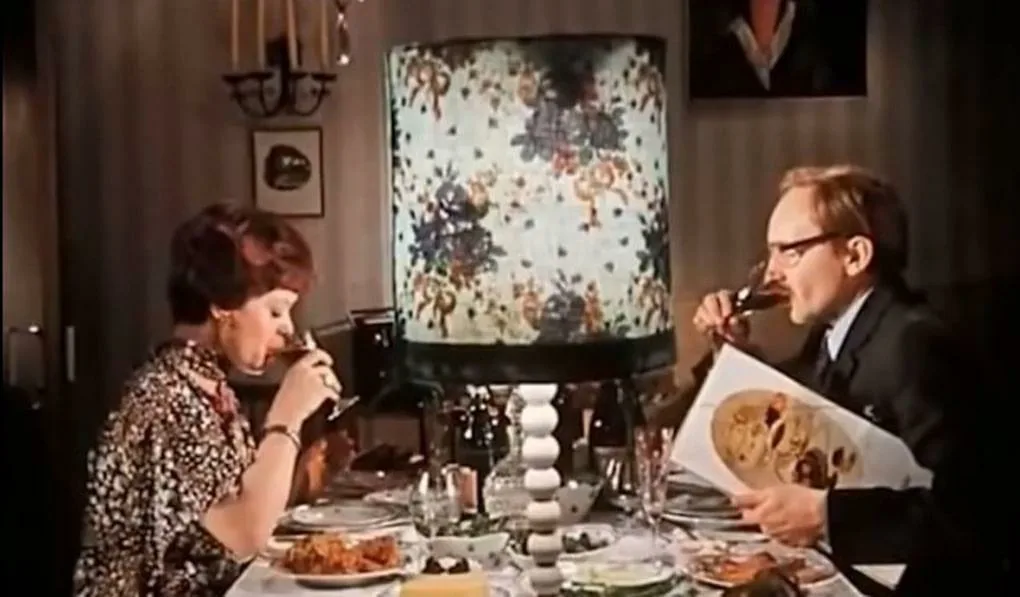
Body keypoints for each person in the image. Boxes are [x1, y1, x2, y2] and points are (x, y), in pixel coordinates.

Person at [691, 165, 1010, 594]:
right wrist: (732, 350)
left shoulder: (915, 346)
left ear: (855, 256)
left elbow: (976, 515)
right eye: (771, 253)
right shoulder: (832, 331)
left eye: (789, 252)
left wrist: (825, 516)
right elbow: (787, 409)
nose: (770, 274)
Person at [73, 204, 343, 596]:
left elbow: (222, 517)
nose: (289, 329)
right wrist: (286, 418)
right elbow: (242, 535)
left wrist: (301, 479)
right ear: (221, 304)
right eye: (275, 311)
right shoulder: (165, 398)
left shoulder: (204, 385)